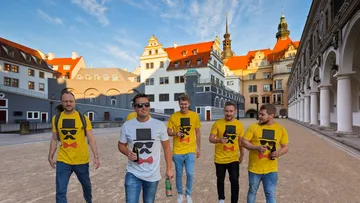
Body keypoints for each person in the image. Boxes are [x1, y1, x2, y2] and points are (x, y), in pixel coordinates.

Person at [118, 93, 174, 203]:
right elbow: (121, 145)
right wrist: (127, 152)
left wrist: (169, 169)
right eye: (140, 105)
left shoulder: (159, 125)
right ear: (135, 108)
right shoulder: (127, 126)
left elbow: (167, 147)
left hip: (152, 174)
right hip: (133, 173)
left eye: (146, 104)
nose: (144, 107)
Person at [48, 90, 100, 203]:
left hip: (81, 160)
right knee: (60, 191)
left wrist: (96, 156)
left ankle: (89, 200)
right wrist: (50, 156)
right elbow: (54, 139)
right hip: (63, 159)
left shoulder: (83, 119)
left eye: (71, 101)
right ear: (61, 102)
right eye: (65, 101)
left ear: (74, 102)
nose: (68, 104)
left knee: (86, 186)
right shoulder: (56, 119)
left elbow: (91, 139)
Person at [242, 104, 289, 203]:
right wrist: (256, 148)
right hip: (254, 168)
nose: (259, 116)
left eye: (262, 114)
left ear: (271, 115)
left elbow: (285, 147)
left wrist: (278, 153)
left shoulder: (280, 129)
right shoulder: (253, 127)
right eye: (259, 114)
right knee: (252, 191)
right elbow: (244, 142)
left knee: (270, 194)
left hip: (271, 170)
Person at [167, 94, 201, 203]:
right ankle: (180, 194)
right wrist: (176, 133)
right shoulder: (174, 116)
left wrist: (198, 148)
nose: (183, 106)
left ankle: (189, 194)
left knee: (190, 173)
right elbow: (168, 131)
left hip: (190, 150)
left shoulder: (194, 116)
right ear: (179, 104)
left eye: (185, 104)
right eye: (181, 104)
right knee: (179, 174)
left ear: (189, 104)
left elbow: (198, 133)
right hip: (177, 151)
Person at [209, 101, 245, 203]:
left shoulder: (239, 125)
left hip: (233, 158)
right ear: (223, 111)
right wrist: (219, 140)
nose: (228, 113)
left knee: (234, 180)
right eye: (226, 111)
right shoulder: (217, 123)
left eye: (231, 111)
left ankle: (234, 201)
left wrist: (242, 154)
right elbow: (211, 139)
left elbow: (240, 142)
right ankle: (221, 199)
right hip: (219, 158)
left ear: (235, 111)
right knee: (220, 180)